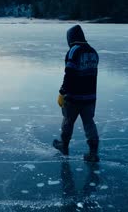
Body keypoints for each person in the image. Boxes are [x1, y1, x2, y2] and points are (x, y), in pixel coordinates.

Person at [53, 25, 100, 162]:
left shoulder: (74, 51)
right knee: (89, 123)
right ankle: (93, 153)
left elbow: (70, 74)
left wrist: (62, 92)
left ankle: (64, 145)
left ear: (71, 38)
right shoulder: (93, 51)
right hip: (90, 97)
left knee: (68, 121)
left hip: (74, 97)